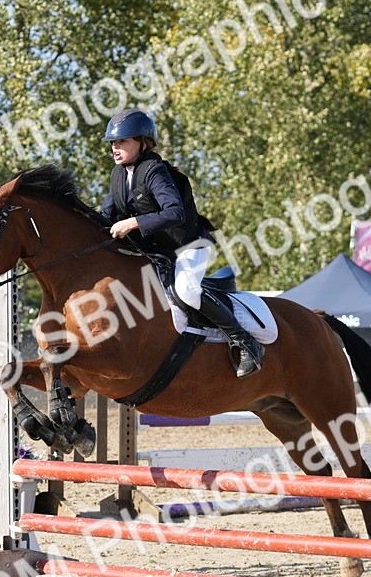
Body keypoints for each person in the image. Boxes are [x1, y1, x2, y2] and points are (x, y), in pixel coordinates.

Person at [100, 108, 263, 377]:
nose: (115, 148)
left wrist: (135, 222)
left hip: (189, 246)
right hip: (160, 253)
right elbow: (106, 216)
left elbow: (175, 212)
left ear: (143, 143)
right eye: (113, 143)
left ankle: (246, 342)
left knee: (186, 290)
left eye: (123, 142)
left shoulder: (154, 170)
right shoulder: (118, 175)